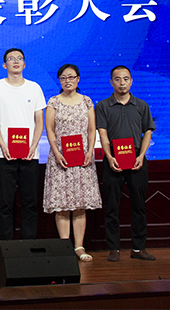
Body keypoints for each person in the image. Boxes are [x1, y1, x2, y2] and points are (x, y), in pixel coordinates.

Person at [96, 65, 156, 262]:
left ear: (131, 81)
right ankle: (114, 248)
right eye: (118, 79)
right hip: (113, 158)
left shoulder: (142, 105)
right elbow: (103, 134)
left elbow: (148, 132)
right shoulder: (103, 106)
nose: (122, 83)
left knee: (138, 206)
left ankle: (138, 248)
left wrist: (141, 156)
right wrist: (109, 156)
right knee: (112, 206)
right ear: (111, 82)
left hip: (137, 158)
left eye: (126, 79)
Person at [0, 48, 46, 241]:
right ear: (5, 65)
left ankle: (28, 245)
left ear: (24, 64)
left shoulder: (34, 87)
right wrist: (3, 145)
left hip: (29, 155)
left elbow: (39, 120)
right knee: (5, 203)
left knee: (30, 202)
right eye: (11, 58)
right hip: (4, 154)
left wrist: (33, 145)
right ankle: (7, 247)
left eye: (19, 58)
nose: (15, 61)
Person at [43, 64, 102, 262]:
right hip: (60, 159)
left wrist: (90, 151)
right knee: (62, 205)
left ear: (78, 79)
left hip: (82, 159)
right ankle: (64, 247)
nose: (67, 81)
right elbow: (50, 130)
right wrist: (56, 153)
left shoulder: (86, 101)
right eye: (63, 77)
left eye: (71, 77)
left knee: (79, 205)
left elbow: (92, 129)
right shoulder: (53, 102)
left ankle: (79, 246)